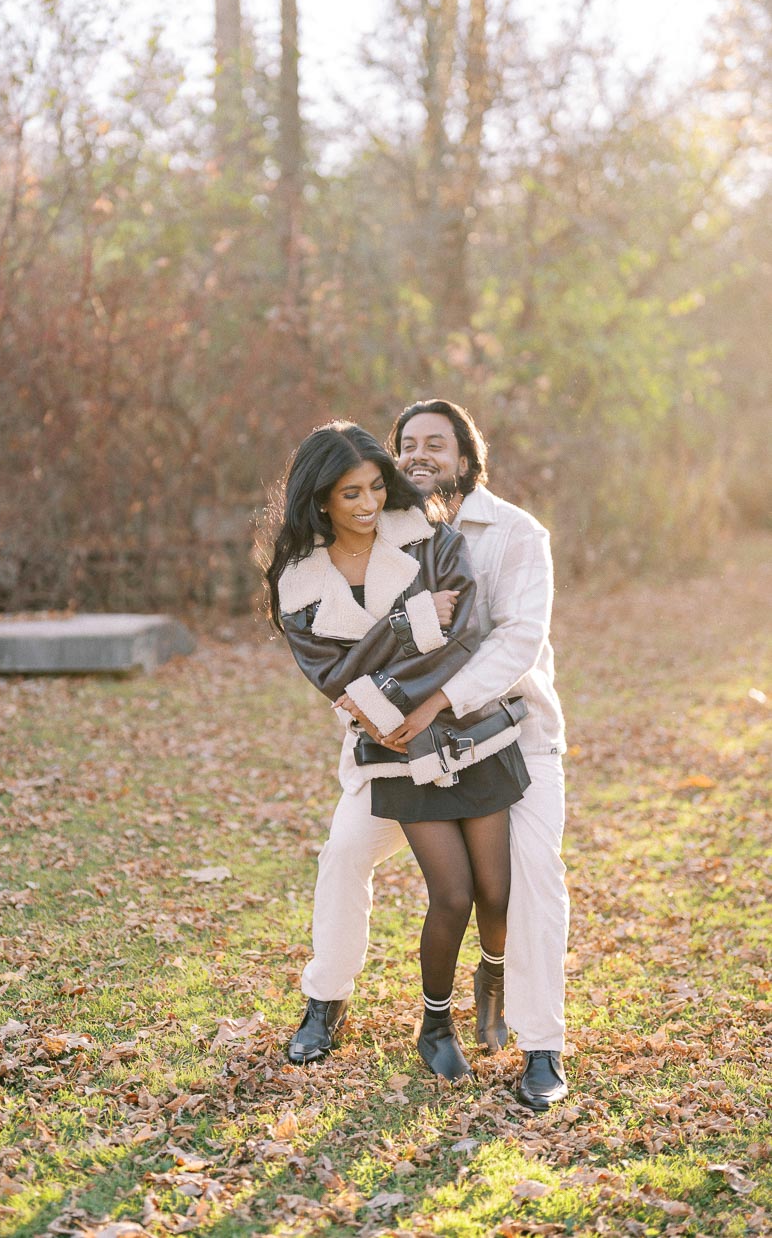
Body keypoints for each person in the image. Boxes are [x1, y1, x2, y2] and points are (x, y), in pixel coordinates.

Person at [286, 401, 569, 1111]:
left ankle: (540, 1044)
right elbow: (342, 645)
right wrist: (376, 711)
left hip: (512, 735)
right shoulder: (383, 527)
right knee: (345, 852)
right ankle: (325, 1001)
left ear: (467, 459)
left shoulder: (516, 534)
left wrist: (432, 703)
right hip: (397, 743)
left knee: (527, 878)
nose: (419, 455)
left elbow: (513, 640)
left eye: (435, 444)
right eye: (406, 443)